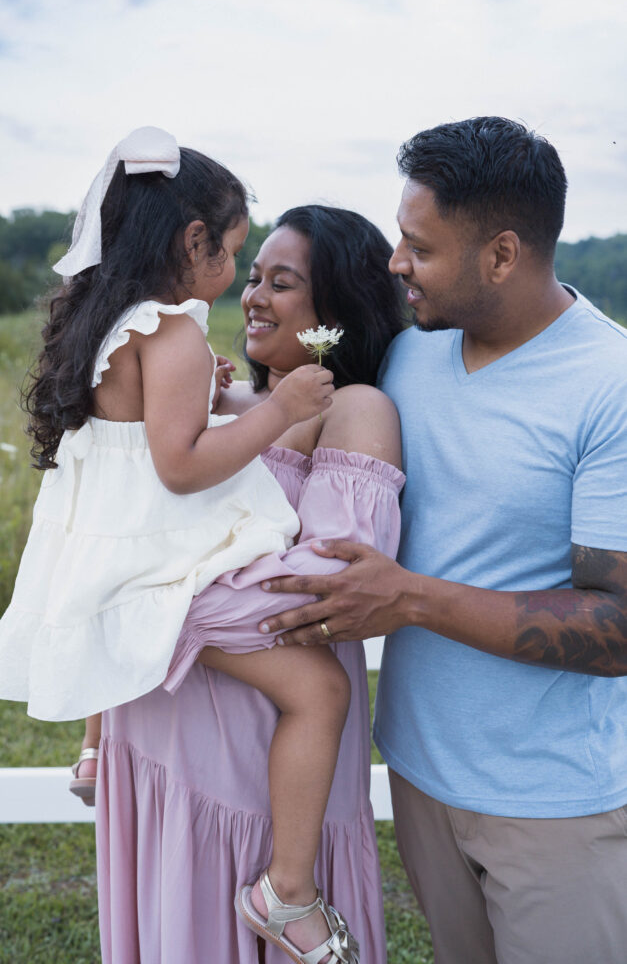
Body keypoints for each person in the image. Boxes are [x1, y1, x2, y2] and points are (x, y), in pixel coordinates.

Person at [258, 117, 627, 964]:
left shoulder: (606, 386)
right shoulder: (409, 357)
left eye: (418, 249)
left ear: (501, 254)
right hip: (418, 774)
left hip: (556, 805)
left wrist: (410, 596)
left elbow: (616, 624)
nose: (396, 264)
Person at [95, 203, 407, 964]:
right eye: (255, 275)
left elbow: (329, 580)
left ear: (335, 307)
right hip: (159, 725)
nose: (255, 296)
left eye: (284, 282)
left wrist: (162, 600)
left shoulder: (354, 408)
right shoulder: (214, 402)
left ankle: (287, 889)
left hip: (254, 748)